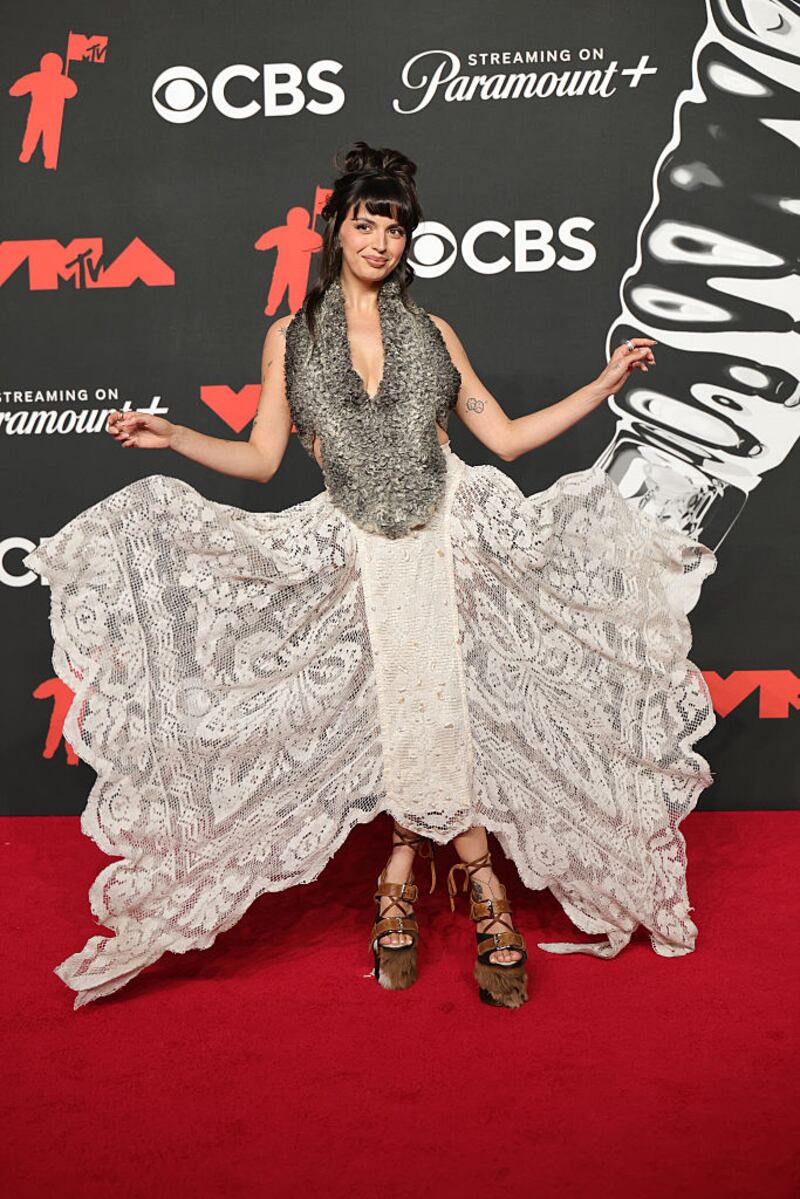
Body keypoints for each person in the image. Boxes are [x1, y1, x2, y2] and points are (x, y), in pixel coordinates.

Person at [24, 141, 718, 1011]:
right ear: (337, 229)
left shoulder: (435, 334)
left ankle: (418, 875)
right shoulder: (291, 338)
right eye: (366, 223)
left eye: (395, 228)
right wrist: (177, 437)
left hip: (450, 540)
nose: (380, 242)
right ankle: (463, 877)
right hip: (357, 551)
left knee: (442, 706)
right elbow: (261, 457)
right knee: (400, 710)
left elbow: (504, 438)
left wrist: (603, 383)